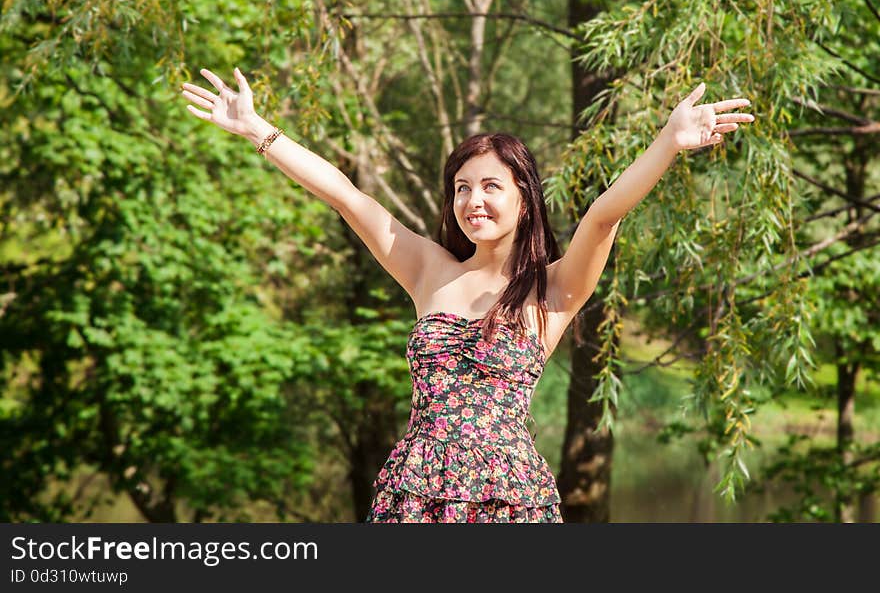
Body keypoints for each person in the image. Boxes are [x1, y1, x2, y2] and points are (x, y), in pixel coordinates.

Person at [182, 68, 754, 523]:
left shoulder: (551, 291)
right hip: (416, 495)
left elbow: (604, 215)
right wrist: (260, 131)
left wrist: (668, 143)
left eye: (489, 187)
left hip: (509, 502)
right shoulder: (429, 270)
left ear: (524, 199)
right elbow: (346, 196)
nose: (472, 200)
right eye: (461, 188)